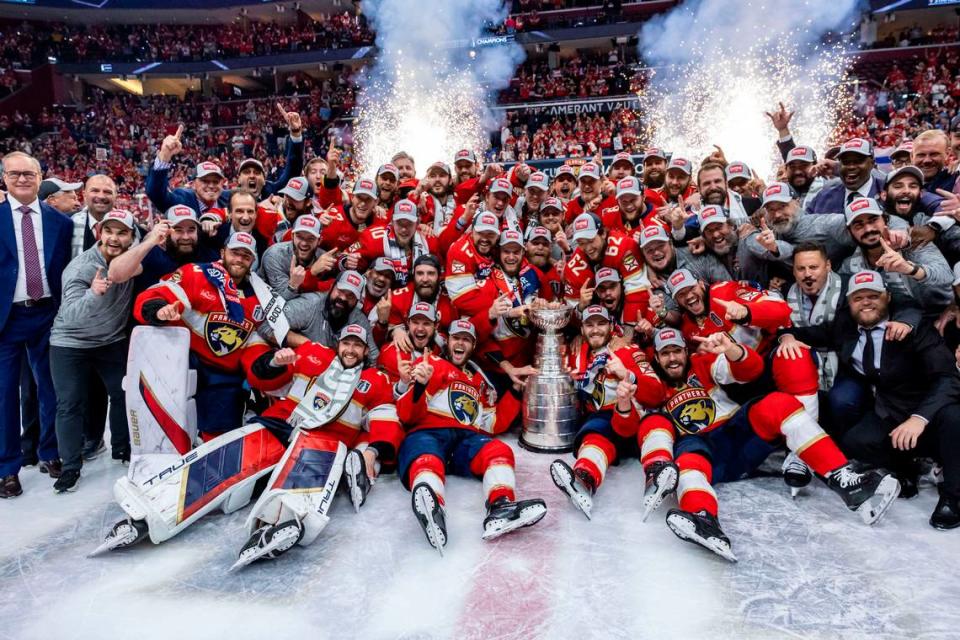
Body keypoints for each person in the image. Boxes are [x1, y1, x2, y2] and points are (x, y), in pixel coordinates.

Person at [93, 324, 403, 569]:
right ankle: (153, 508)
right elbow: (262, 380)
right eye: (347, 343)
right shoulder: (313, 355)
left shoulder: (375, 380)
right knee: (228, 456)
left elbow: (385, 421)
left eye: (357, 345)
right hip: (283, 422)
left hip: (324, 438)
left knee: (313, 461)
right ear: (339, 345)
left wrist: (373, 452)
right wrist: (273, 362)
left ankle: (284, 522)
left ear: (365, 351)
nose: (350, 349)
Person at [644, 328, 899, 561]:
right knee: (688, 461)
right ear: (656, 358)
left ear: (685, 351)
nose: (672, 358)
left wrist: (732, 350)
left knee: (778, 403)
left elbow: (750, 369)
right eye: (665, 354)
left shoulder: (702, 364)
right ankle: (703, 518)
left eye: (676, 350)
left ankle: (844, 478)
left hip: (735, 433)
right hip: (699, 449)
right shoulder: (651, 387)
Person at [778, 271, 960, 529]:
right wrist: (787, 336)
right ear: (849, 303)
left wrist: (919, 419)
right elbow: (814, 333)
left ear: (887, 297)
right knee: (856, 442)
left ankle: (953, 498)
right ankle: (904, 468)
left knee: (955, 420)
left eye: (873, 296)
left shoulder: (910, 328)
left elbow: (948, 379)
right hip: (892, 409)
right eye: (858, 297)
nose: (866, 302)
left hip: (931, 409)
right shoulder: (846, 326)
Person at [389, 319, 546, 555]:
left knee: (499, 450)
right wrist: (419, 386)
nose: (460, 343)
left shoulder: (480, 381)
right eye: (456, 338)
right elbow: (407, 415)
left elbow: (493, 424)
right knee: (425, 454)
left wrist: (515, 392)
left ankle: (501, 506)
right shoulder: (432, 364)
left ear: (473, 346)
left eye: (467, 339)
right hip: (430, 432)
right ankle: (433, 508)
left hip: (465, 441)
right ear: (448, 341)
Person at [133, 232, 272, 437]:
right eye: (235, 253)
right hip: (186, 360)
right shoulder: (196, 273)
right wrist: (159, 310)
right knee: (166, 430)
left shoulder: (261, 295)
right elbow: (155, 295)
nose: (239, 259)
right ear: (223, 252)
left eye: (246, 256)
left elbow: (255, 342)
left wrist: (268, 366)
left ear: (253, 260)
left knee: (221, 436)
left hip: (224, 374)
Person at [48, 210, 141, 492]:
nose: (114, 238)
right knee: (70, 403)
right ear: (99, 232)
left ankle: (122, 449)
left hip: (109, 340)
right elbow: (71, 315)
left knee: (123, 392)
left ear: (131, 237)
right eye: (109, 231)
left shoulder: (132, 257)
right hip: (69, 343)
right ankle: (71, 466)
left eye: (122, 232)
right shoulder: (80, 267)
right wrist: (93, 293)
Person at [0, 151, 74, 499]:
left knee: (51, 387)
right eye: (15, 174)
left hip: (46, 313)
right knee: (4, 395)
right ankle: (7, 467)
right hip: (6, 317)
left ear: (40, 175)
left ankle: (50, 452)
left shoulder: (60, 222)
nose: (22, 179)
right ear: (4, 178)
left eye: (29, 173)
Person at [549, 305, 667, 520]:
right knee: (594, 430)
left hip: (633, 423)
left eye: (601, 323)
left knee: (641, 422)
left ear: (612, 326)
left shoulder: (627, 351)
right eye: (589, 324)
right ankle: (583, 479)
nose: (595, 329)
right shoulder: (578, 353)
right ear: (582, 330)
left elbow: (658, 393)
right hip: (605, 430)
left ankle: (657, 473)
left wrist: (628, 375)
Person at [266, 270, 380, 364]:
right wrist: (309, 344)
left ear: (357, 301)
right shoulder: (309, 304)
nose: (344, 298)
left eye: (351, 296)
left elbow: (374, 358)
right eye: (341, 291)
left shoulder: (359, 320)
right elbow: (268, 328)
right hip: (299, 364)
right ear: (331, 288)